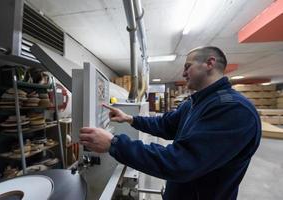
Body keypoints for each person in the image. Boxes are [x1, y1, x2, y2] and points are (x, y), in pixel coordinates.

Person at [79, 46, 261, 200]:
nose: (183, 73)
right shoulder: (195, 102)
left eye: (188, 66)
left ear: (210, 63)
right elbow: (165, 125)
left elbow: (181, 162)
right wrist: (130, 119)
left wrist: (115, 144)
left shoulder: (233, 110)